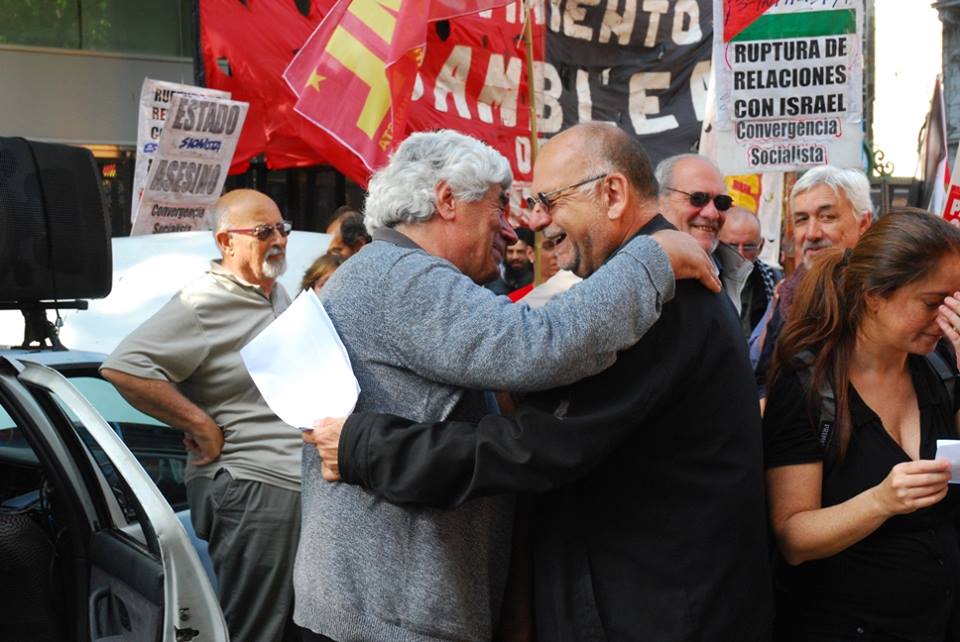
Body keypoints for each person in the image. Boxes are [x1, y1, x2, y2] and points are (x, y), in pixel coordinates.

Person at [307, 123, 773, 640]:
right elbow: (532, 347)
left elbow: (540, 440)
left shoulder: (665, 299)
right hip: (391, 613)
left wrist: (366, 447)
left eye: (548, 200)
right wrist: (653, 258)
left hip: (661, 605)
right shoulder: (397, 273)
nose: (530, 224)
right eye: (502, 206)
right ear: (445, 201)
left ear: (612, 194)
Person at [100, 189, 301, 642]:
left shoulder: (272, 291)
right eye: (264, 231)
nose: (279, 240)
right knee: (257, 631)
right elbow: (124, 367)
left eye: (282, 228)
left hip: (286, 483)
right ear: (227, 242)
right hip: (255, 486)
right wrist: (199, 424)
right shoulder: (204, 301)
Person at [764, 210, 960, 641]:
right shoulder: (810, 385)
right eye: (933, 302)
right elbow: (794, 537)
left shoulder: (940, 369)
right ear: (874, 296)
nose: (945, 318)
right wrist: (882, 501)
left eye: (954, 301)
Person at [753, 165, 873, 397]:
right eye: (801, 220)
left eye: (827, 217)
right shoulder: (787, 293)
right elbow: (764, 378)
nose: (812, 233)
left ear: (864, 223)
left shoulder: (886, 294)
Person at [656, 153, 754, 322]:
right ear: (658, 202)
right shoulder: (631, 271)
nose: (712, 213)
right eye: (697, 199)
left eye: (721, 202)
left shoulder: (732, 272)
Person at [719, 206, 782, 340]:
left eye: (748, 247)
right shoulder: (702, 279)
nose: (740, 254)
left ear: (761, 246)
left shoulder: (775, 282)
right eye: (732, 246)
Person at [485, 228, 535, 295]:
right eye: (510, 251)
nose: (515, 257)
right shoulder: (492, 279)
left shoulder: (539, 281)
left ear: (531, 253)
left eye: (520, 252)